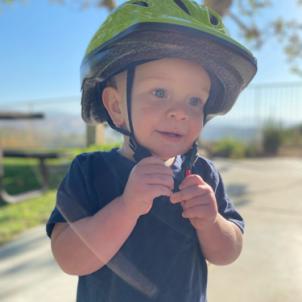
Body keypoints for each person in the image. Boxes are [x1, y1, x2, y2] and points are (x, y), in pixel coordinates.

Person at [46, 1, 257, 301]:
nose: (180, 112)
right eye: (159, 93)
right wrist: (126, 206)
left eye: (195, 101)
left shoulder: (202, 175)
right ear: (117, 106)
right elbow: (68, 258)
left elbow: (228, 252)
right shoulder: (89, 171)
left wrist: (211, 223)